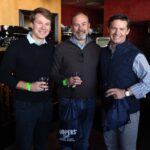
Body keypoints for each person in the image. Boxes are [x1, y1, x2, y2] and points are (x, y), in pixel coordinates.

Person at [0, 7, 54, 150]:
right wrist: (29, 86)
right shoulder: (16, 46)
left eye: (47, 24)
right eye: (40, 23)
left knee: (42, 143)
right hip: (25, 105)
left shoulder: (50, 46)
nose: (44, 27)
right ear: (31, 24)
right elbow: (3, 74)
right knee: (24, 144)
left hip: (46, 104)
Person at [99, 13, 150, 150]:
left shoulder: (136, 55)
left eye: (122, 29)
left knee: (127, 148)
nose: (117, 33)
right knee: (110, 146)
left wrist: (126, 92)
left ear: (128, 31)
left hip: (128, 112)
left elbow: (149, 81)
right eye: (114, 28)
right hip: (108, 108)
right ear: (108, 29)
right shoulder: (103, 52)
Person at [51, 12, 100, 150]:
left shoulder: (97, 49)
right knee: (67, 140)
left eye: (83, 24)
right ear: (72, 27)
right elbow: (53, 74)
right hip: (68, 100)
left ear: (89, 26)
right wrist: (67, 81)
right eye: (76, 24)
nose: (80, 28)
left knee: (84, 139)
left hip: (90, 101)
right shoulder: (61, 48)